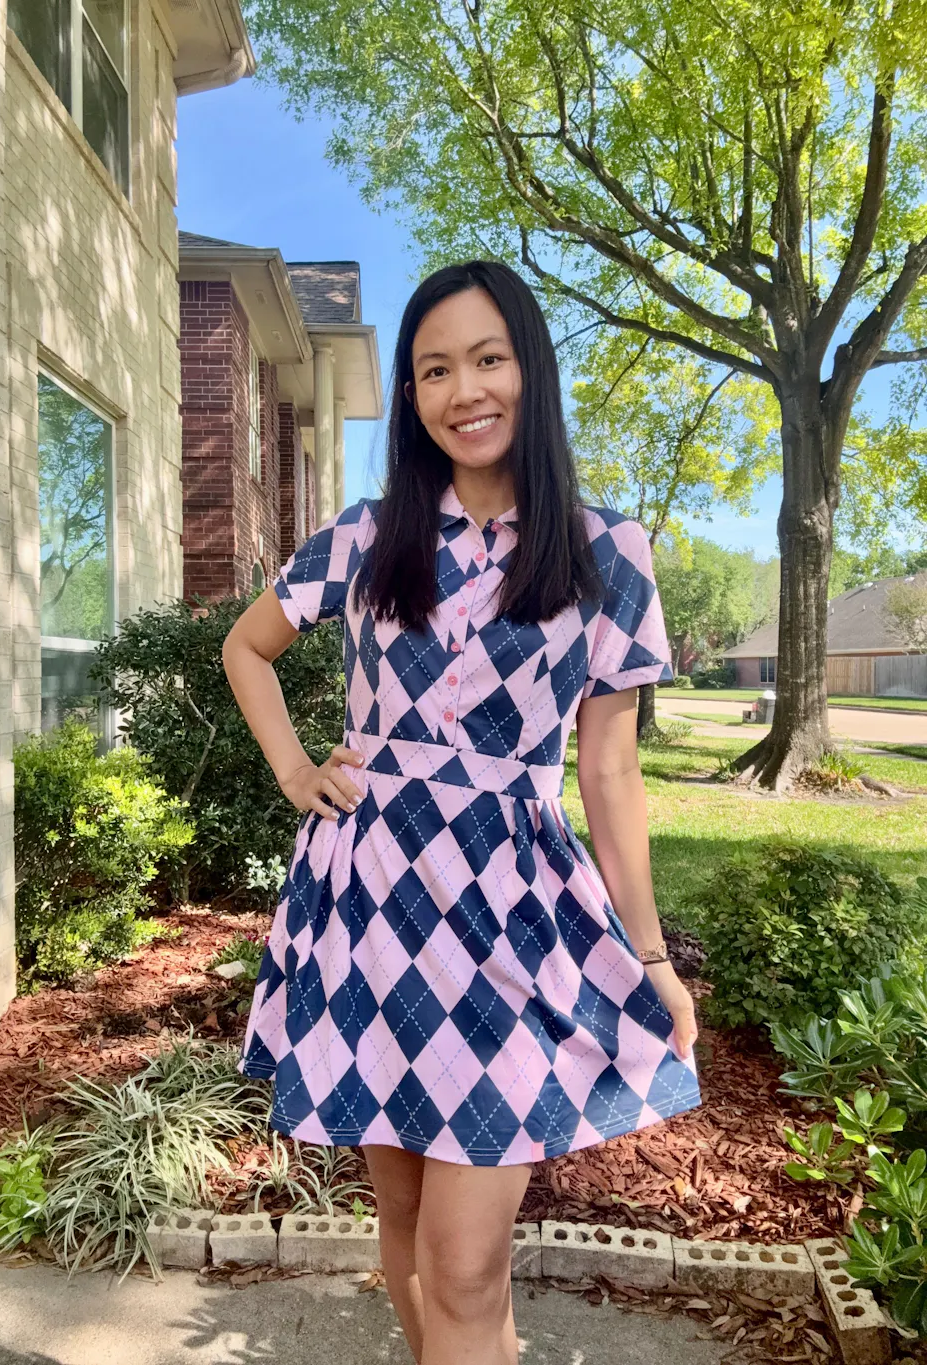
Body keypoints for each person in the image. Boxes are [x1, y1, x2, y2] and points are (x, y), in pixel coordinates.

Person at [221, 259, 701, 1365]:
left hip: (510, 919)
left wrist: (651, 954)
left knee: (472, 1259)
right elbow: (247, 648)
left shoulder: (605, 552)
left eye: (487, 359)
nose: (462, 390)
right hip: (368, 908)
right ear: (410, 395)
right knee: (400, 1226)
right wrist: (300, 772)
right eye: (433, 369)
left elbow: (611, 772)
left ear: (529, 370)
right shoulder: (365, 532)